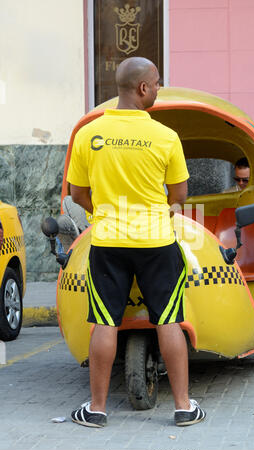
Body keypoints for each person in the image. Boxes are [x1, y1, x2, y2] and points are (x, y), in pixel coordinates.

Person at [67, 57, 206, 428]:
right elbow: (179, 195)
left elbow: (77, 193)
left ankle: (96, 410)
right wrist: (165, 211)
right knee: (170, 320)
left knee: (105, 322)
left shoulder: (88, 135)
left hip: (108, 242)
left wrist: (101, 213)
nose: (159, 88)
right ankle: (183, 408)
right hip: (157, 243)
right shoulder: (165, 136)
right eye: (157, 82)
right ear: (143, 88)